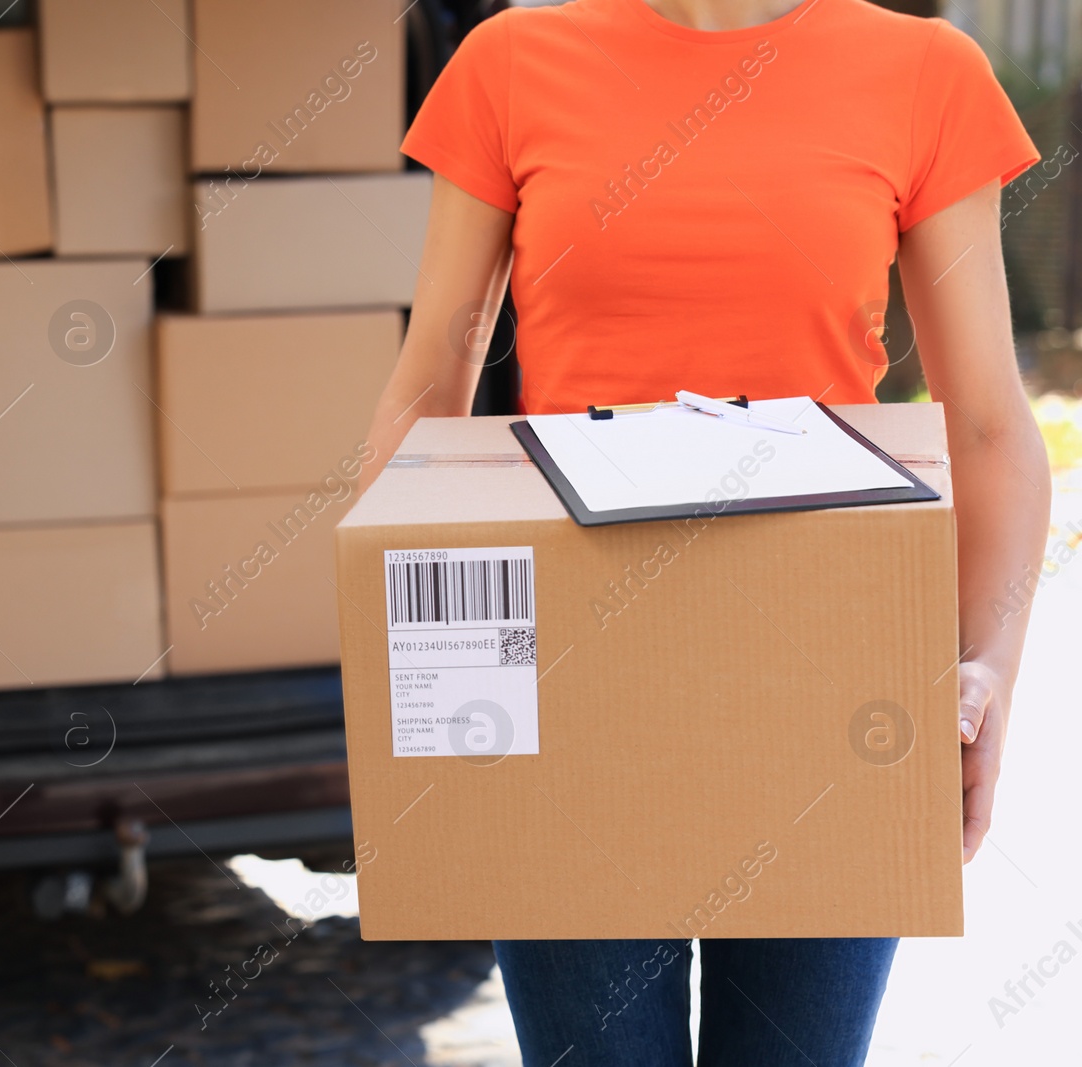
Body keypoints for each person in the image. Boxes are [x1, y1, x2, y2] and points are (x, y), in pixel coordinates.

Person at [360, 0, 1051, 1062]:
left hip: (831, 687)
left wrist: (987, 664)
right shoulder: (510, 63)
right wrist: (397, 676)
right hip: (570, 688)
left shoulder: (923, 73)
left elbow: (991, 427)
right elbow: (425, 397)